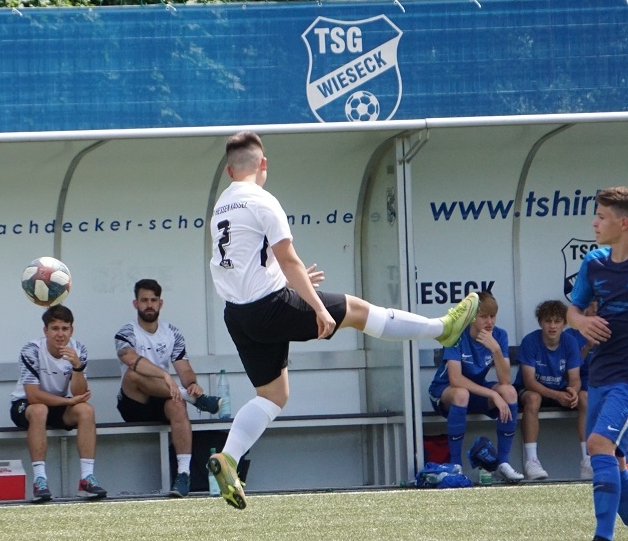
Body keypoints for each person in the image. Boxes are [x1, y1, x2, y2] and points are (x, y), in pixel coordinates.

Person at [206, 131, 480, 510]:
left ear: (229, 170)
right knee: (356, 311)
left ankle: (228, 458)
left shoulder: (222, 205)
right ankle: (442, 329)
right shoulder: (262, 200)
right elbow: (288, 258)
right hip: (269, 307)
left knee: (272, 396)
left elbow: (246, 266)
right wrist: (317, 307)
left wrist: (289, 283)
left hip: (238, 316)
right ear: (263, 164)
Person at [565, 186, 628, 541]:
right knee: (613, 461)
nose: (594, 223)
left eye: (601, 217)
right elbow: (572, 310)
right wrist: (582, 322)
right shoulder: (594, 262)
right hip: (601, 372)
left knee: (599, 443)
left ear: (623, 223)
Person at [114, 278, 223, 498]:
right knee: (133, 375)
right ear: (135, 304)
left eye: (153, 300)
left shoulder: (172, 332)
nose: (149, 305)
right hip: (134, 403)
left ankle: (183, 474)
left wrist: (192, 385)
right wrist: (164, 374)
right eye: (144, 300)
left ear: (160, 303)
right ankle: (192, 399)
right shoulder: (126, 332)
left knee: (177, 405)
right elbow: (131, 359)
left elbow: (184, 369)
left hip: (163, 398)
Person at [10, 304, 107, 503]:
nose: (60, 334)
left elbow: (79, 393)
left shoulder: (78, 349)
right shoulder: (31, 350)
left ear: (72, 330)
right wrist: (67, 401)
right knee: (39, 410)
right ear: (45, 331)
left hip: (58, 406)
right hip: (25, 405)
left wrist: (77, 367)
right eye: (55, 328)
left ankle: (86, 478)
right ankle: (40, 480)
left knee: (86, 410)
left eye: (65, 328)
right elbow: (33, 396)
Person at [429, 291, 523, 482]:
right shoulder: (457, 334)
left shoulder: (499, 335)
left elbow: (505, 380)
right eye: (483, 316)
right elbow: (456, 379)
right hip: (444, 391)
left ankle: (502, 464)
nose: (489, 321)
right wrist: (493, 395)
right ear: (472, 317)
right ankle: (456, 465)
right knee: (461, 394)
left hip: (475, 390)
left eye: (493, 316)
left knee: (509, 392)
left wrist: (496, 349)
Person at [513, 299, 584, 480]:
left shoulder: (570, 342)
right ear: (540, 322)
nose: (552, 326)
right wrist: (557, 395)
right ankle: (531, 461)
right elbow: (529, 382)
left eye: (557, 321)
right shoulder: (530, 341)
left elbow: (575, 379)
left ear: (564, 323)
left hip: (559, 390)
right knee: (533, 398)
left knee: (585, 398)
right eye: (548, 321)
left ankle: (588, 460)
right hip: (531, 390)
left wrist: (573, 391)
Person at [564, 300, 598, 479]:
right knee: (585, 397)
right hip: (583, 384)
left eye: (599, 304)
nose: (594, 309)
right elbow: (572, 371)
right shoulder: (571, 335)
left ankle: (622, 459)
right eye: (591, 304)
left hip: (605, 382)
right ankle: (587, 458)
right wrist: (588, 347)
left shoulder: (609, 330)